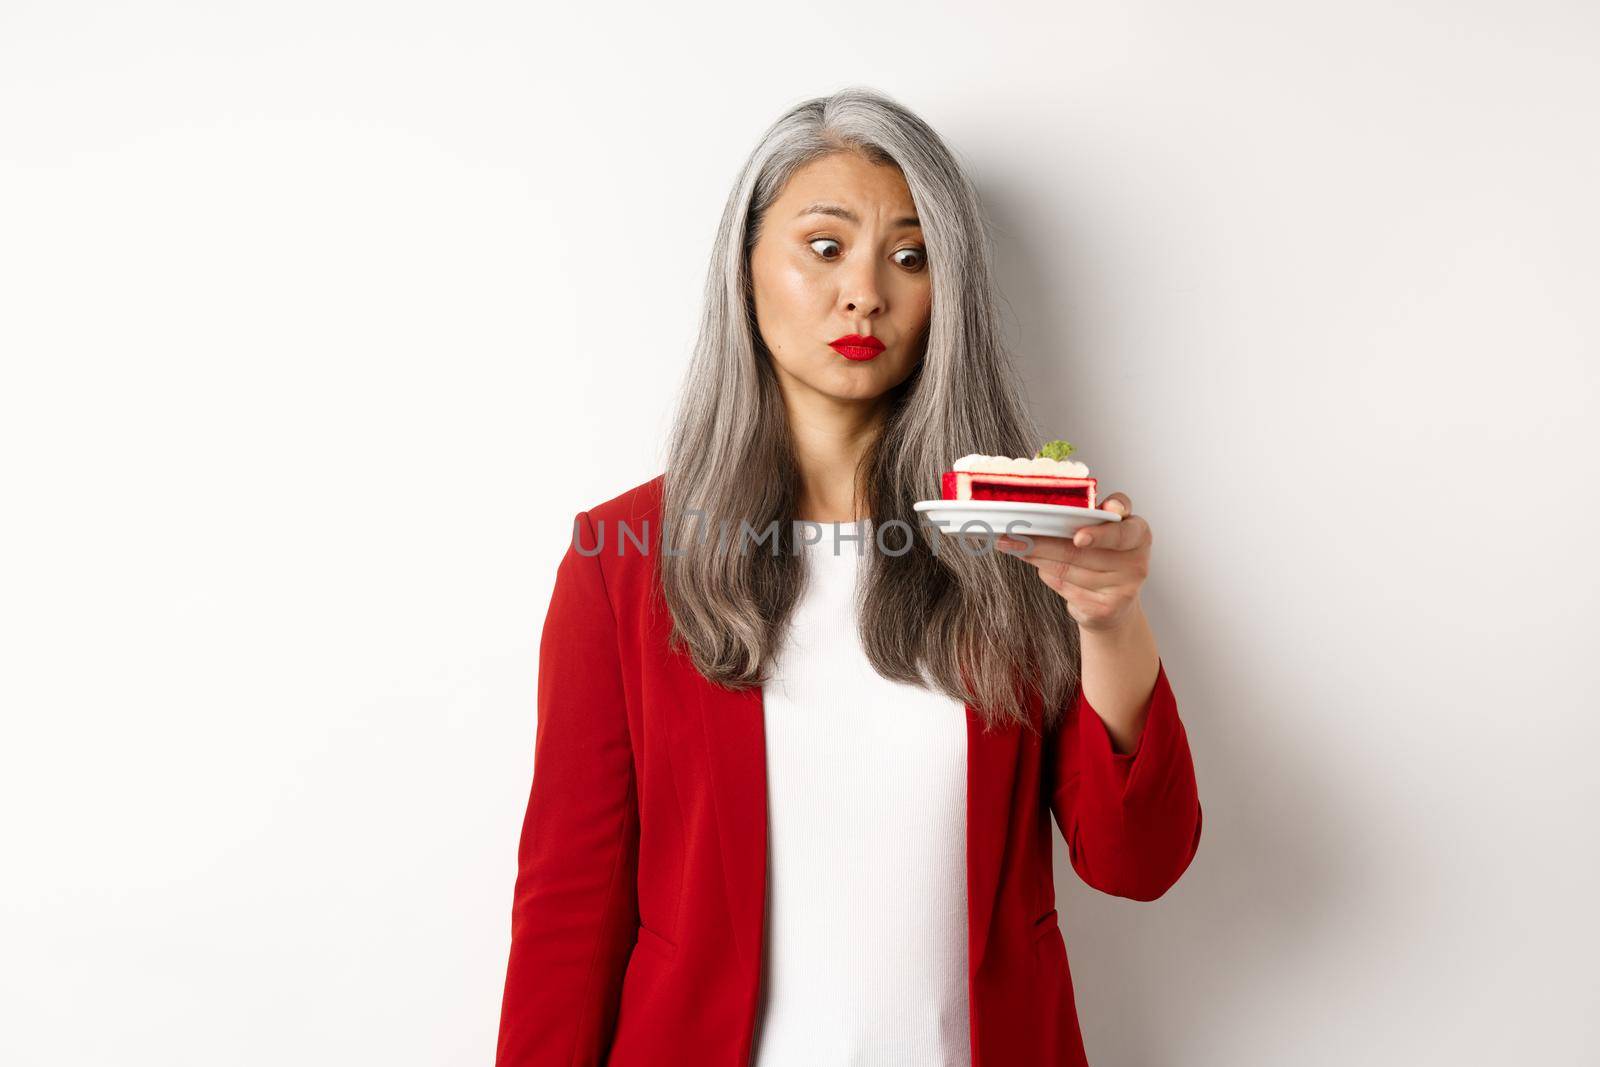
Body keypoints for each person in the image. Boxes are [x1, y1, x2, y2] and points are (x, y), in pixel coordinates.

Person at [495, 86, 1202, 1067]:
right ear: (745, 267)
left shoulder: (1022, 540)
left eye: (908, 256)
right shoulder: (623, 559)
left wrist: (1108, 617)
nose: (864, 290)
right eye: (824, 247)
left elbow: (1137, 861)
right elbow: (568, 913)